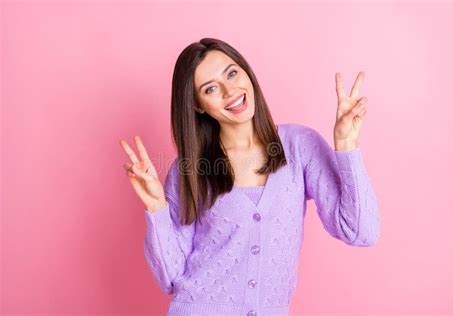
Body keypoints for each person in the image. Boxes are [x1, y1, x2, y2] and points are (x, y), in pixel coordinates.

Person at [120, 38, 380, 316]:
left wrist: (347, 145)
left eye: (232, 73)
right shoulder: (190, 169)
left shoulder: (299, 146)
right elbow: (170, 278)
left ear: (246, 71)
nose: (230, 90)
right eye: (211, 88)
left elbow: (360, 232)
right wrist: (157, 209)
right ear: (198, 105)